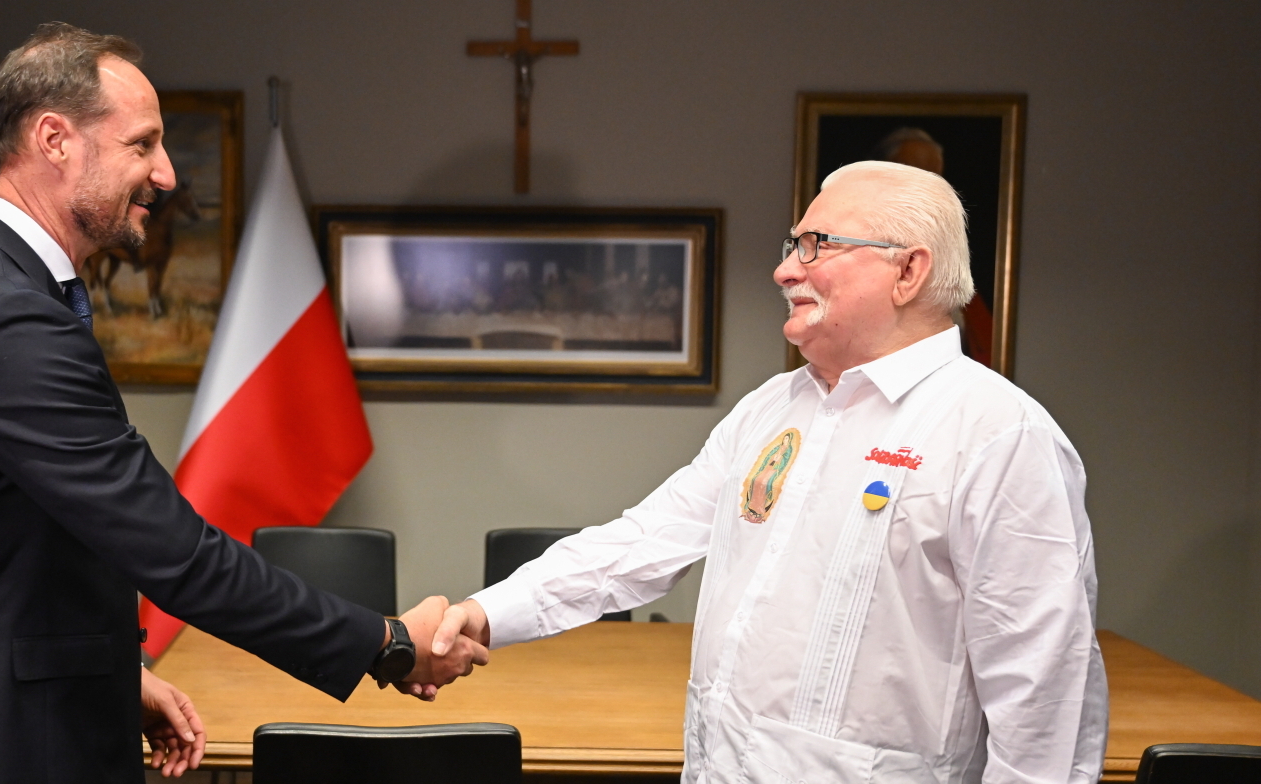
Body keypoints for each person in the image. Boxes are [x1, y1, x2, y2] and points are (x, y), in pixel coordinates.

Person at [0, 23, 486, 784]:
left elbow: (42, 541)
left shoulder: (1, 289)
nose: (166, 174)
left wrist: (115, 672)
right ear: (54, 140)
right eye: (142, 145)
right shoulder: (2, 317)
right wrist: (388, 644)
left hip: (27, 717)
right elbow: (176, 552)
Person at [433, 160, 1107, 784]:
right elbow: (643, 542)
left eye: (816, 245)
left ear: (908, 271)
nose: (785, 271)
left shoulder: (1000, 436)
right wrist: (479, 615)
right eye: (792, 246)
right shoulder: (772, 408)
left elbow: (1044, 703)